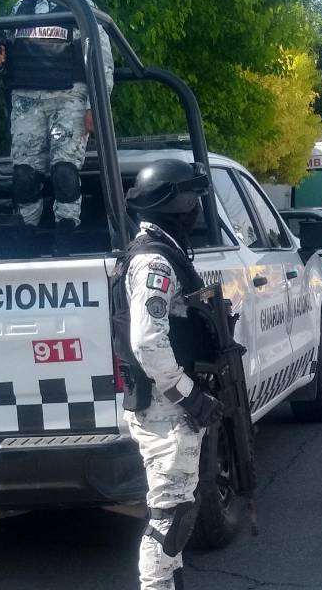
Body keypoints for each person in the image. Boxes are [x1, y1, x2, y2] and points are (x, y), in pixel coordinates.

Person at [118, 158, 224, 590]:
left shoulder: (165, 252)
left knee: (176, 509)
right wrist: (189, 395)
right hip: (167, 407)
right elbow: (147, 341)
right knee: (170, 517)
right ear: (175, 206)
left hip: (168, 404)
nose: (197, 209)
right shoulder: (156, 264)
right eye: (192, 200)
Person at [0, 0, 114, 256]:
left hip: (68, 102)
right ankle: (27, 234)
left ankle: (66, 234)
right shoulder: (21, 10)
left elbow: (103, 63)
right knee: (24, 175)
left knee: (64, 172)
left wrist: (93, 108)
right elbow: (2, 57)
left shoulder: (83, 8)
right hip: (27, 102)